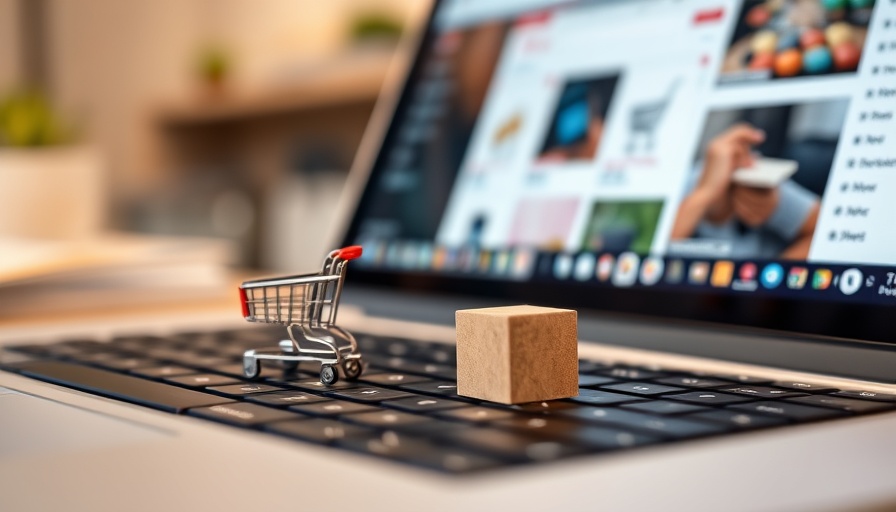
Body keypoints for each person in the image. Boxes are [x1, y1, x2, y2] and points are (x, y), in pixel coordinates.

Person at [671, 124, 819, 259]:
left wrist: (771, 273)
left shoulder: (754, 183)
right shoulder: (688, 191)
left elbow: (822, 230)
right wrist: (704, 194)